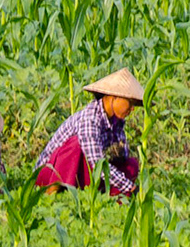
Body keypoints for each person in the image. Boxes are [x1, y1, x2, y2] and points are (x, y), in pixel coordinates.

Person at [33, 68, 143, 196]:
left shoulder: (116, 122)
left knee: (131, 165)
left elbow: (120, 158)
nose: (132, 109)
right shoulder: (90, 119)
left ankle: (110, 200)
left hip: (80, 171)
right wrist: (130, 187)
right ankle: (54, 194)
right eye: (130, 103)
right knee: (76, 145)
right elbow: (97, 164)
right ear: (114, 97)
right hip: (51, 174)